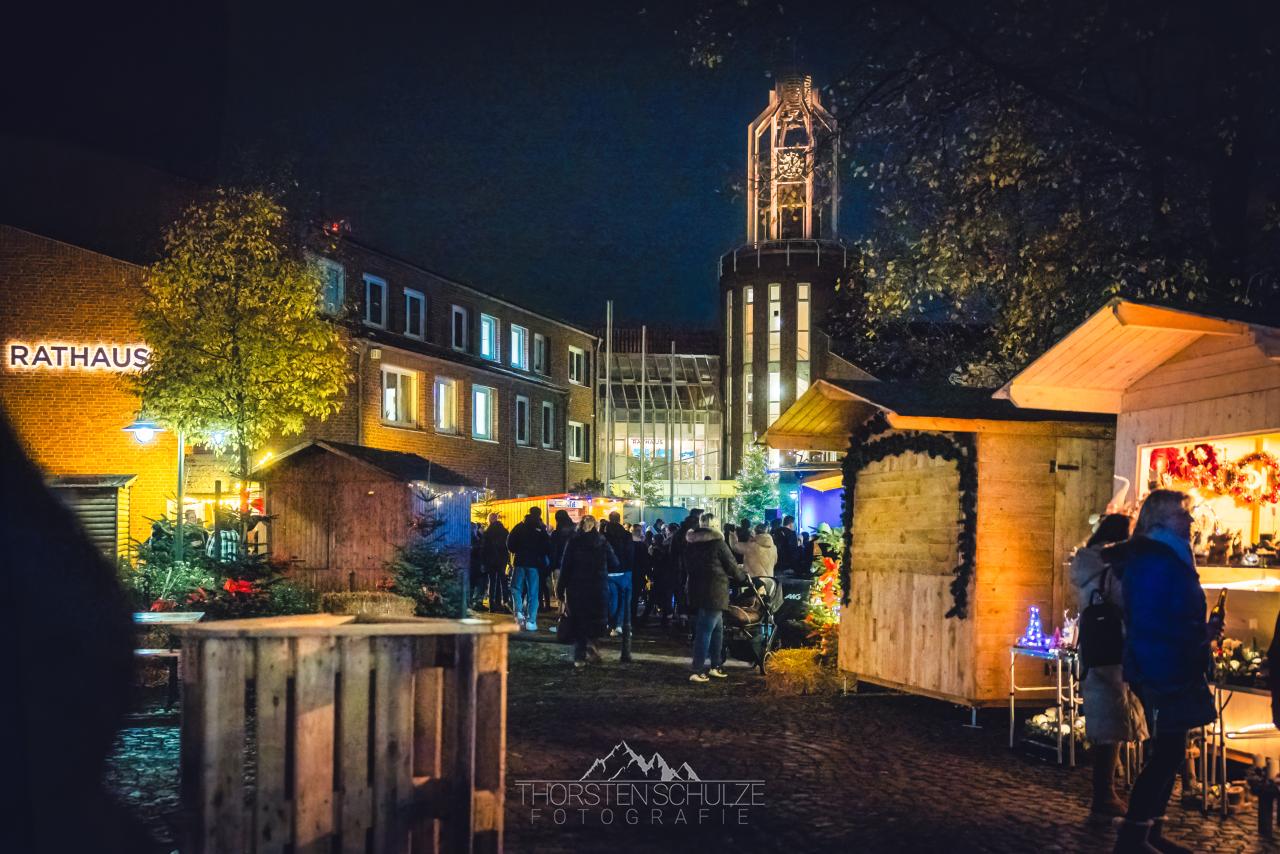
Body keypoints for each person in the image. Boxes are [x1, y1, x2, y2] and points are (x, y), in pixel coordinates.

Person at [1111, 490, 1215, 854]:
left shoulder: (1168, 554)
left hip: (1169, 662)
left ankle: (1149, 830)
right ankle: (1134, 836)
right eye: (1181, 514)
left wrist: (1200, 632)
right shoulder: (1157, 559)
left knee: (1170, 752)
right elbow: (1156, 620)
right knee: (1166, 753)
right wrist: (1198, 635)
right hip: (1162, 666)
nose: (1190, 520)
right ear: (1160, 520)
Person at [1071, 513, 1148, 820]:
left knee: (1105, 719)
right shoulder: (1114, 569)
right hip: (1115, 650)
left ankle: (1106, 792)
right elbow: (1128, 605)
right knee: (1111, 721)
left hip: (1095, 649)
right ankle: (1104, 795)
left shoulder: (1086, 564)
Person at [683, 513, 748, 682]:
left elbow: (686, 565)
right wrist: (743, 578)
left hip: (696, 589)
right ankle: (697, 669)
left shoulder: (691, 543)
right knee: (705, 630)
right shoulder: (718, 543)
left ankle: (715, 665)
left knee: (717, 629)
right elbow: (731, 566)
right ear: (714, 525)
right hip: (715, 591)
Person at [556, 515, 619, 667]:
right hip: (597, 586)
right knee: (595, 619)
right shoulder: (602, 542)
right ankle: (593, 647)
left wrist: (560, 588)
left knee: (579, 621)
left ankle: (579, 657)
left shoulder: (573, 542)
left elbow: (565, 567)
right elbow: (614, 563)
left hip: (577, 587)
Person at [507, 506, 551, 631]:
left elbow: (510, 544)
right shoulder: (541, 529)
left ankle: (519, 611)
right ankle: (531, 621)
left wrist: (517, 550)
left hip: (520, 562)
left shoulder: (519, 526)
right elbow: (547, 546)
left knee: (516, 588)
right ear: (539, 514)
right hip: (534, 564)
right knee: (533, 592)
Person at [602, 511, 633, 634]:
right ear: (619, 520)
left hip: (609, 571)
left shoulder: (604, 535)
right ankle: (619, 624)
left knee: (612, 598)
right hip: (624, 570)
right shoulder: (626, 535)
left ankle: (611, 624)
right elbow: (630, 553)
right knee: (624, 599)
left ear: (609, 519)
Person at [480, 514, 510, 613]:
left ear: (489, 520)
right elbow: (508, 546)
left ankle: (492, 605)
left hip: (491, 560)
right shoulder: (504, 531)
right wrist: (508, 559)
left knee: (492, 582)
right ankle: (506, 604)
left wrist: (484, 561)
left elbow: (484, 548)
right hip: (502, 560)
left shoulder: (487, 532)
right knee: (503, 582)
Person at [549, 509, 575, 609]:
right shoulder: (575, 532)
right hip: (573, 565)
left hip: (559, 565)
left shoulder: (556, 534)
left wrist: (551, 565)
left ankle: (562, 609)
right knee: (571, 588)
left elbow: (553, 551)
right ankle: (570, 609)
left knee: (559, 589)